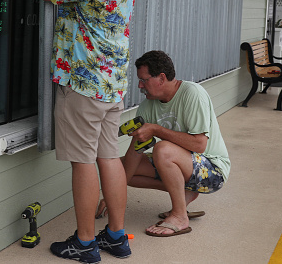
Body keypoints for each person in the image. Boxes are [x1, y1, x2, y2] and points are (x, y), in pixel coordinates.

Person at [32, 0, 151, 263]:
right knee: (107, 158)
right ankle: (116, 236)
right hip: (111, 87)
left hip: (83, 88)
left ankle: (84, 243)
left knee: (83, 163)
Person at [97, 50, 230, 237]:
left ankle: (179, 216)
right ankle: (185, 194)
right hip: (184, 165)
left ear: (161, 78)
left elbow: (200, 145)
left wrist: (157, 130)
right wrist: (112, 195)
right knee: (120, 168)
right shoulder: (147, 106)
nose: (140, 85)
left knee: (162, 149)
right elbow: (135, 152)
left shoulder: (192, 93)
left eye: (144, 80)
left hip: (213, 170)